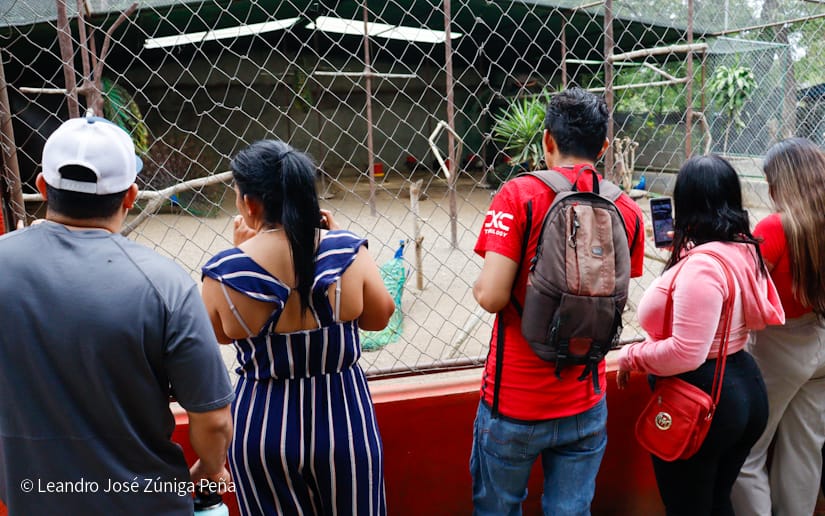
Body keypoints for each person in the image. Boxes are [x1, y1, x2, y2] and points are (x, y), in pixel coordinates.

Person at [0, 115, 235, 514]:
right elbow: (213, 421)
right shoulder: (165, 284)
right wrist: (210, 469)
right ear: (130, 195)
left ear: (41, 186)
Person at [471, 87, 645, 515]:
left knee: (498, 508)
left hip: (514, 402)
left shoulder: (517, 195)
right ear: (604, 147)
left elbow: (492, 296)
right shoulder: (626, 208)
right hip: (586, 402)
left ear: (547, 140)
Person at [201, 139, 394, 515]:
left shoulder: (225, 271)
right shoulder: (347, 251)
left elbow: (220, 334)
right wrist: (338, 240)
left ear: (250, 204)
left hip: (263, 428)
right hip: (345, 421)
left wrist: (244, 251)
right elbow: (379, 317)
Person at [612, 155, 785, 516]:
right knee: (717, 501)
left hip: (703, 394)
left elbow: (686, 352)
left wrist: (632, 356)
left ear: (685, 202)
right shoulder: (744, 248)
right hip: (744, 387)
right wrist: (685, 258)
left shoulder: (702, 266)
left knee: (687, 507)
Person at [730, 138, 825, 516]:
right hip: (820, 341)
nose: (768, 190)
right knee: (804, 449)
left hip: (781, 347)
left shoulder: (776, 226)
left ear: (783, 181)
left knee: (746, 450)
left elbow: (743, 288)